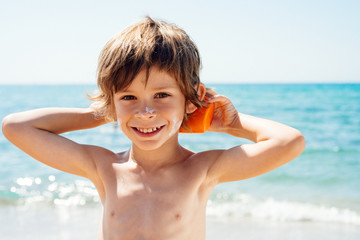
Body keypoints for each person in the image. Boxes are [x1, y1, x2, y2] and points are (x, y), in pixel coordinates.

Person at [1, 17, 305, 240]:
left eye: (162, 95)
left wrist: (232, 125)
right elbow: (16, 126)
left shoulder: (201, 170)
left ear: (191, 99)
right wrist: (110, 111)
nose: (145, 113)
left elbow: (290, 141)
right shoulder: (104, 168)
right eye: (129, 97)